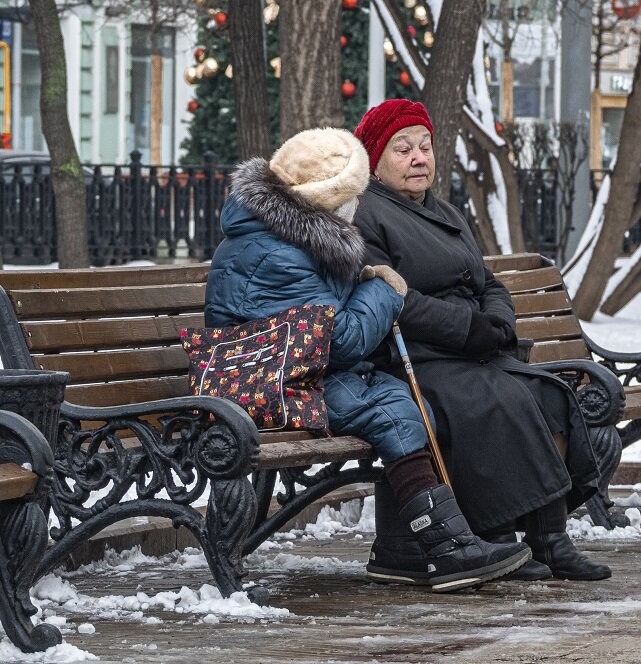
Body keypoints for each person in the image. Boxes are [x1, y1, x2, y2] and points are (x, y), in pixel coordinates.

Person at [204, 127, 530, 593]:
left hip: (295, 369)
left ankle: (411, 548)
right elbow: (342, 342)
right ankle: (447, 549)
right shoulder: (283, 254)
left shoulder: (287, 236)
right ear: (325, 199)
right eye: (351, 196)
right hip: (267, 381)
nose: (358, 206)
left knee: (404, 401)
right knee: (393, 411)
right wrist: (383, 289)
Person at [351, 99, 611, 582]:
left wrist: (498, 323)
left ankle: (549, 540)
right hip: (414, 357)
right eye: (402, 149)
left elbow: (487, 281)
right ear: (374, 159)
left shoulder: (444, 210)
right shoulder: (364, 215)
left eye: (425, 147)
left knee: (547, 393)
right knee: (502, 399)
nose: (418, 158)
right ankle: (495, 537)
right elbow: (391, 301)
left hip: (468, 350)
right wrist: (468, 329)